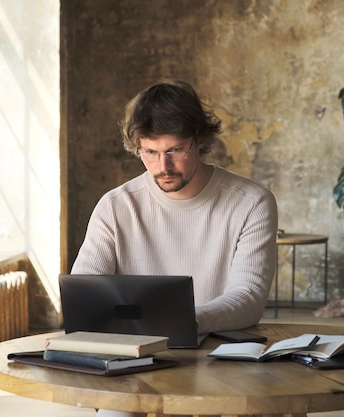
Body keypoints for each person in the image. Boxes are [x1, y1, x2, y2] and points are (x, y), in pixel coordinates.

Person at [71, 79, 278, 417]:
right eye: (150, 153)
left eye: (175, 151)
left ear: (199, 142)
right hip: (138, 356)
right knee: (113, 412)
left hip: (223, 358)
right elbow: (85, 292)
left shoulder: (251, 202)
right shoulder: (116, 206)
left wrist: (184, 322)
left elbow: (250, 295)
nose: (163, 167)